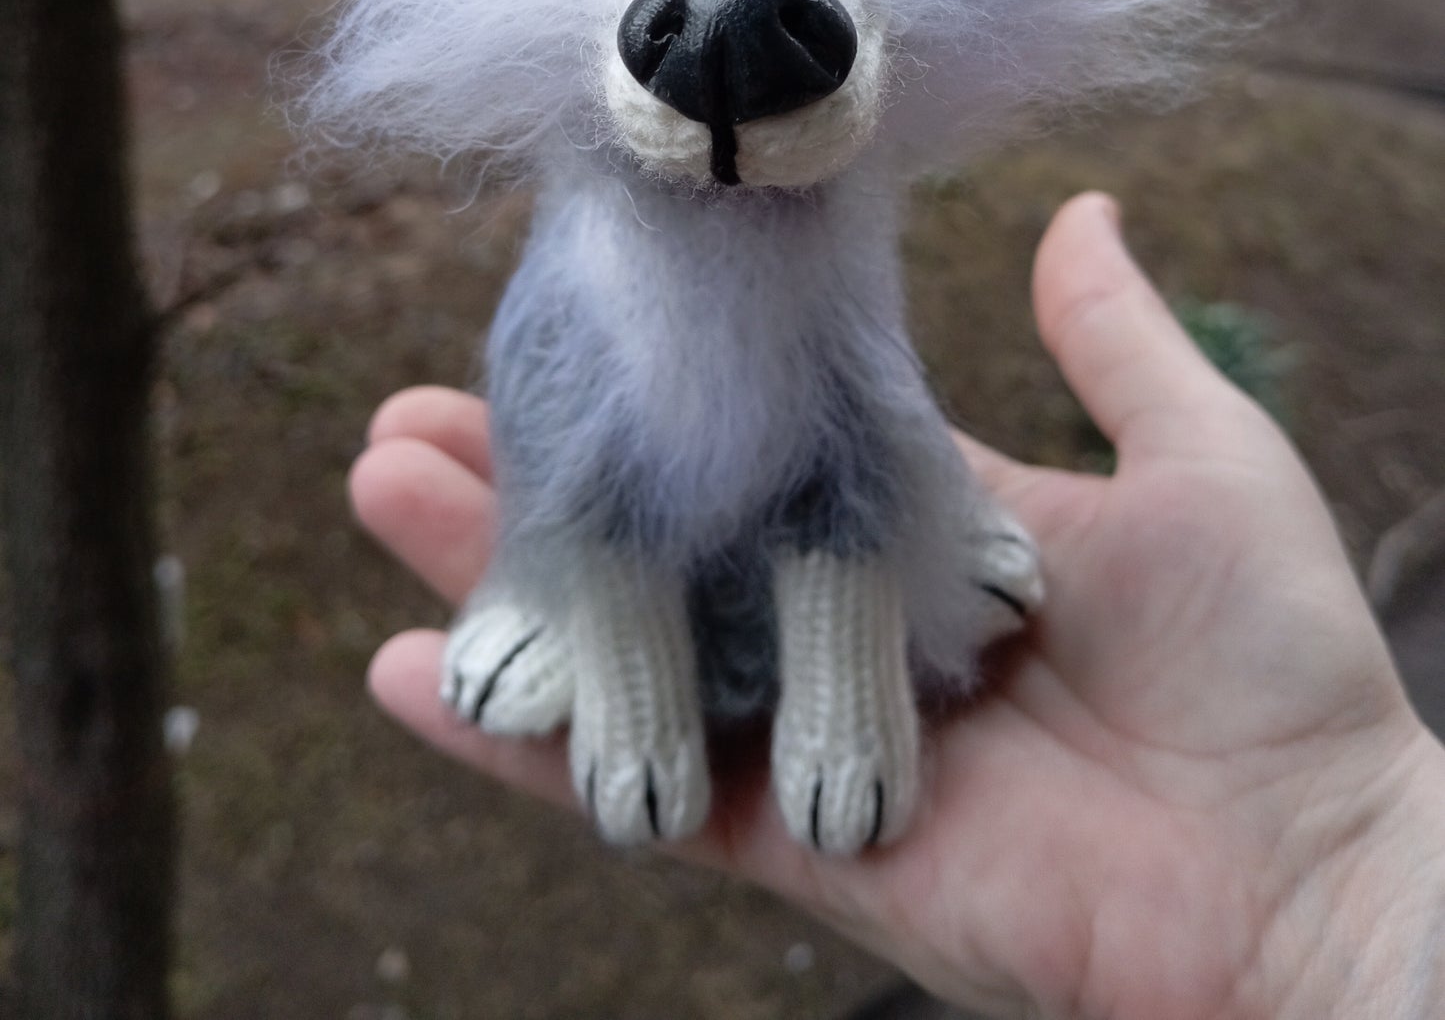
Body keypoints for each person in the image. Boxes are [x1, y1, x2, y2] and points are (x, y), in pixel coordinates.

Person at [348, 192, 1445, 1019]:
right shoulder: (579, 270)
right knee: (578, 449)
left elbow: (866, 442)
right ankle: (565, 618)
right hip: (593, 539)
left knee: (857, 432)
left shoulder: (833, 242)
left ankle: (906, 584)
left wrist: (1345, 861)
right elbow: (576, 476)